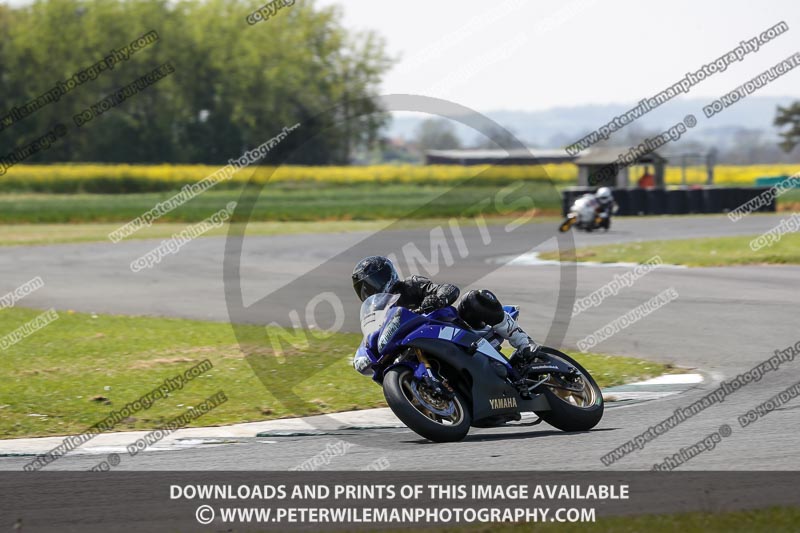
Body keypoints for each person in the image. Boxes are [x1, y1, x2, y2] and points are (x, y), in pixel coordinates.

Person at [351, 256, 541, 376]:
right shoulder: (378, 314)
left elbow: (444, 289)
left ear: (388, 275)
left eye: (375, 281)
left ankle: (524, 342)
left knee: (475, 298)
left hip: (451, 329)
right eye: (365, 288)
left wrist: (438, 298)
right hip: (417, 348)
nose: (372, 289)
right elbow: (371, 337)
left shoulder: (410, 286)